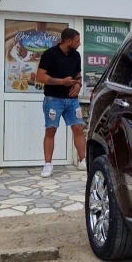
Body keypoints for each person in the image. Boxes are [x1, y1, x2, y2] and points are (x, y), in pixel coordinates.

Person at [36, 28, 86, 177]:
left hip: (72, 101)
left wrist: (78, 85)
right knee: (51, 130)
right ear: (68, 41)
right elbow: (40, 77)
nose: (80, 43)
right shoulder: (49, 54)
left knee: (78, 128)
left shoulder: (76, 55)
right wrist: (61, 82)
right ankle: (48, 165)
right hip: (53, 99)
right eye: (77, 41)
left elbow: (78, 76)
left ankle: (83, 161)